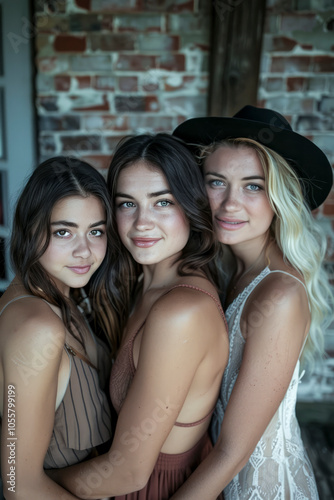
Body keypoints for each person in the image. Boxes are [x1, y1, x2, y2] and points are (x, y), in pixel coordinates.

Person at [48, 134, 228, 500]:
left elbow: (128, 472)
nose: (142, 222)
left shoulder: (181, 313)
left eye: (162, 202)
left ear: (191, 206)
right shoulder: (141, 284)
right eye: (127, 203)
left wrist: (31, 483)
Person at [171, 105, 334, 499]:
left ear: (281, 196)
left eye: (253, 186)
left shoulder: (279, 294)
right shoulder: (231, 269)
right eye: (216, 182)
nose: (229, 203)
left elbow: (234, 451)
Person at [0, 156, 118, 500]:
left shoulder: (64, 300)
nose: (84, 251)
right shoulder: (37, 328)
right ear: (31, 230)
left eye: (95, 231)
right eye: (63, 232)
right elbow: (16, 482)